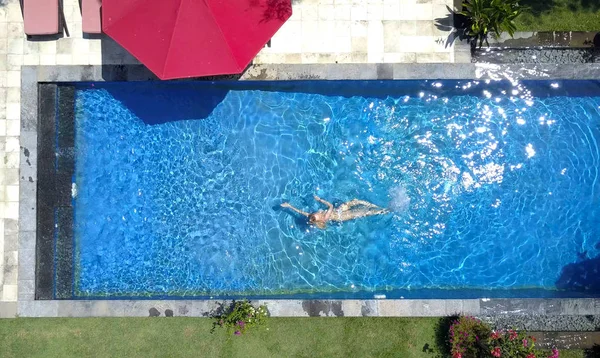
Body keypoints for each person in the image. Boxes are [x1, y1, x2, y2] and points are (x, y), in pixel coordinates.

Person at [281, 195, 389, 229]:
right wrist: (319, 200)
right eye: (317, 214)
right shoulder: (324, 218)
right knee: (365, 212)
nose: (317, 212)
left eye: (315, 213)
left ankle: (376, 206)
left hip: (339, 210)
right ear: (319, 218)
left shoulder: (311, 216)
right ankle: (383, 211)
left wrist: (289, 206)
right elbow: (330, 206)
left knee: (355, 201)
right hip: (342, 216)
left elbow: (300, 212)